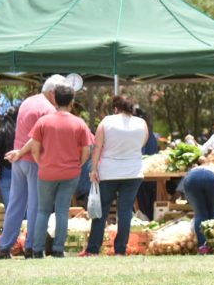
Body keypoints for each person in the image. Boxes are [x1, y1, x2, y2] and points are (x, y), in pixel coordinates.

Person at [10, 85, 93, 258]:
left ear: (54, 99)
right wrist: (77, 165)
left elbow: (34, 148)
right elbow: (87, 151)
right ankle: (57, 249)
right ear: (72, 102)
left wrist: (42, 163)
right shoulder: (79, 123)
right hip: (70, 173)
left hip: (47, 172)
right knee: (62, 210)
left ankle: (38, 249)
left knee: (43, 211)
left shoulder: (44, 121)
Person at [0, 74, 69, 259]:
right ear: (53, 93)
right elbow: (37, 137)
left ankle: (4, 247)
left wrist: (19, 152)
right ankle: (31, 247)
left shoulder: (28, 101)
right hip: (33, 160)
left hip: (18, 161)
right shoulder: (48, 109)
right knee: (36, 206)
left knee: (15, 204)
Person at [80, 95, 148, 256]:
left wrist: (94, 169)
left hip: (109, 171)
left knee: (101, 211)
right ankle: (120, 249)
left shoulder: (107, 122)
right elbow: (142, 143)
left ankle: (93, 248)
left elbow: (97, 147)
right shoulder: (141, 123)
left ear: (116, 108)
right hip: (133, 172)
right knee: (125, 211)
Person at [133, 106, 159, 220]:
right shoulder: (150, 133)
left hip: (144, 176)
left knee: (144, 206)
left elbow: (140, 156)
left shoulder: (141, 133)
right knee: (149, 204)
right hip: (151, 176)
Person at [0, 107, 18, 206]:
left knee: (9, 206)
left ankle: (12, 221)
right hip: (21, 170)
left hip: (5, 171)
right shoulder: (21, 132)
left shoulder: (0, 133)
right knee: (23, 204)